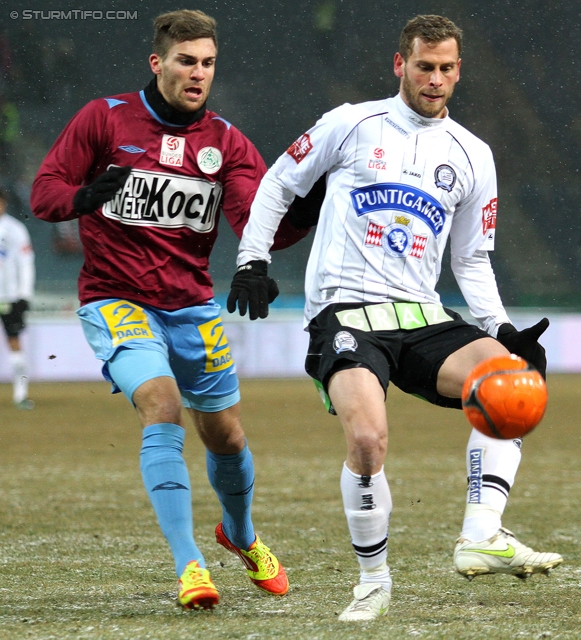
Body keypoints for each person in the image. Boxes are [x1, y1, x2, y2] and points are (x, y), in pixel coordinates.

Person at [228, 14, 563, 621]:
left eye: (446, 68)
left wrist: (502, 330)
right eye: (424, 66)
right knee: (366, 440)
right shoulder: (350, 123)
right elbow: (277, 185)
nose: (434, 79)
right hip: (346, 311)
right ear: (399, 64)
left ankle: (482, 536)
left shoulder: (473, 154)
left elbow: (471, 257)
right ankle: (372, 580)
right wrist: (252, 258)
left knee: (515, 385)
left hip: (424, 315)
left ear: (459, 71)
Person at [31, 9, 317, 610]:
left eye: (208, 63)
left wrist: (299, 221)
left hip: (191, 306)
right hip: (114, 297)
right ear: (157, 62)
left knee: (227, 437)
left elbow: (255, 219)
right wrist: (83, 196)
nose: (198, 73)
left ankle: (239, 535)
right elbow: (45, 193)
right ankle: (191, 566)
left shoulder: (227, 143)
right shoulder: (103, 119)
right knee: (161, 405)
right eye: (187, 61)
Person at [0, 188, 35, 410]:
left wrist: (24, 294)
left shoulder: (15, 228)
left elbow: (25, 261)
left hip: (9, 296)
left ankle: (20, 394)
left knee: (14, 341)